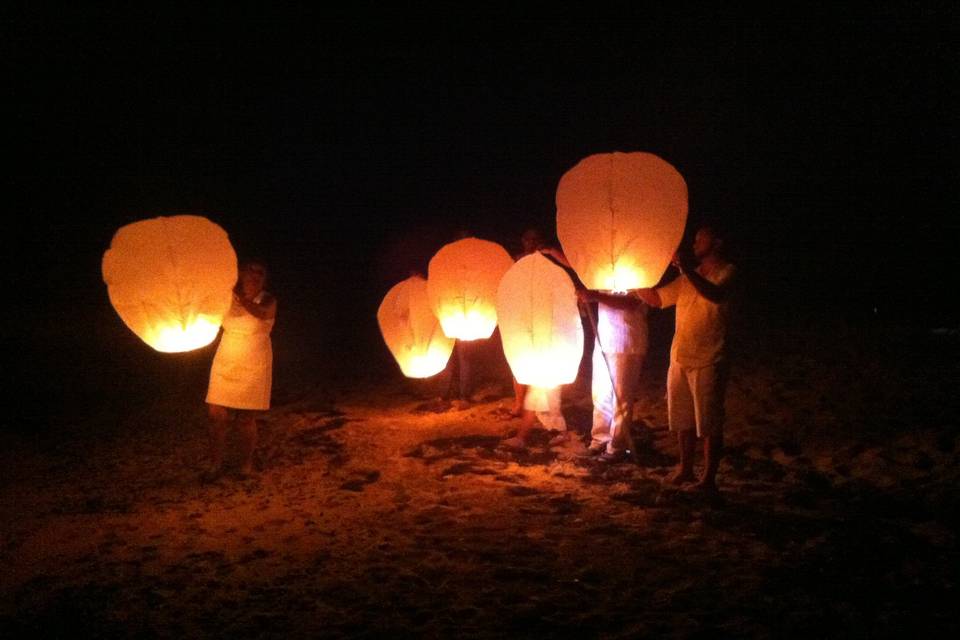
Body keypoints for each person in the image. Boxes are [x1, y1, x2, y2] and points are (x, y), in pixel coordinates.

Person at [634, 223, 736, 493]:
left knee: (709, 422)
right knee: (683, 418)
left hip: (710, 356)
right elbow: (657, 299)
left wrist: (686, 269)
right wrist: (634, 280)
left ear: (717, 243)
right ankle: (686, 468)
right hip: (680, 354)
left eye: (701, 239)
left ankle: (708, 479)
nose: (694, 244)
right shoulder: (688, 278)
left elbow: (714, 294)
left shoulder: (727, 272)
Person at [203, 260, 277, 481]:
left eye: (260, 273)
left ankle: (245, 465)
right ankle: (215, 463)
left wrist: (241, 299)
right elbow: (209, 317)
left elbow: (262, 314)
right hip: (226, 357)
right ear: (241, 274)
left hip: (254, 361)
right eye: (250, 271)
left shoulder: (268, 299)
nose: (255, 276)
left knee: (245, 418)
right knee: (216, 415)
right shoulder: (226, 298)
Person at [576, 285, 649, 463]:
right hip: (604, 339)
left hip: (627, 340)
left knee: (621, 398)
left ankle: (617, 445)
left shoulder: (641, 273)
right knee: (600, 394)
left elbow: (632, 303)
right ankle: (599, 439)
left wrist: (596, 296)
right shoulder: (605, 273)